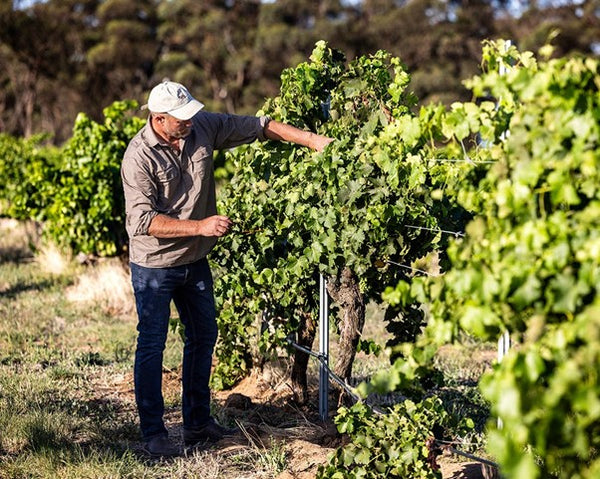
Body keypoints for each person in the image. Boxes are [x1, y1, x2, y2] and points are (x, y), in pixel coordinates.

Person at [121, 80, 332, 458]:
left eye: (191, 114)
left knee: (204, 336)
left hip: (195, 260)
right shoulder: (138, 157)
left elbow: (258, 125)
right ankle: (153, 433)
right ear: (159, 119)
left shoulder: (201, 126)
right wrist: (201, 226)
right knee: (151, 345)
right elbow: (142, 222)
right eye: (181, 118)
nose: (190, 122)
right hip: (155, 264)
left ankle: (198, 424)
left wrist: (312, 140)